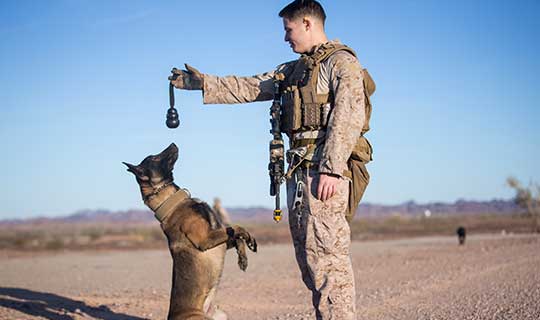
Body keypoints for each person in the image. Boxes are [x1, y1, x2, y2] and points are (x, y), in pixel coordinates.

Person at [169, 1, 373, 318]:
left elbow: (349, 114)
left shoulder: (341, 63)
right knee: (311, 261)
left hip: (324, 175)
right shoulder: (292, 70)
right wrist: (202, 84)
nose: (285, 38)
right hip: (299, 173)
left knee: (330, 261)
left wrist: (331, 169)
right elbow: (250, 86)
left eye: (288, 30)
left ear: (307, 23)